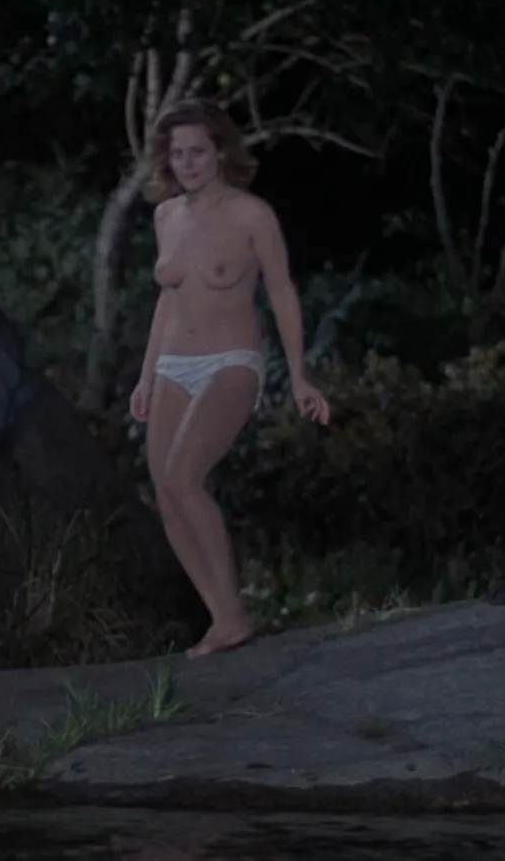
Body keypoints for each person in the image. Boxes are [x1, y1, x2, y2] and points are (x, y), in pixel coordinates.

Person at [129, 99, 331, 659]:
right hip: (173, 364)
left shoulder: (251, 215)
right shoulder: (166, 216)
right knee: (166, 492)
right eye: (178, 154)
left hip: (231, 361)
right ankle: (222, 617)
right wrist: (146, 377)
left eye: (198, 151)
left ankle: (234, 614)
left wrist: (299, 375)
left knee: (184, 478)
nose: (188, 163)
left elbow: (282, 292)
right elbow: (167, 301)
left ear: (220, 152)